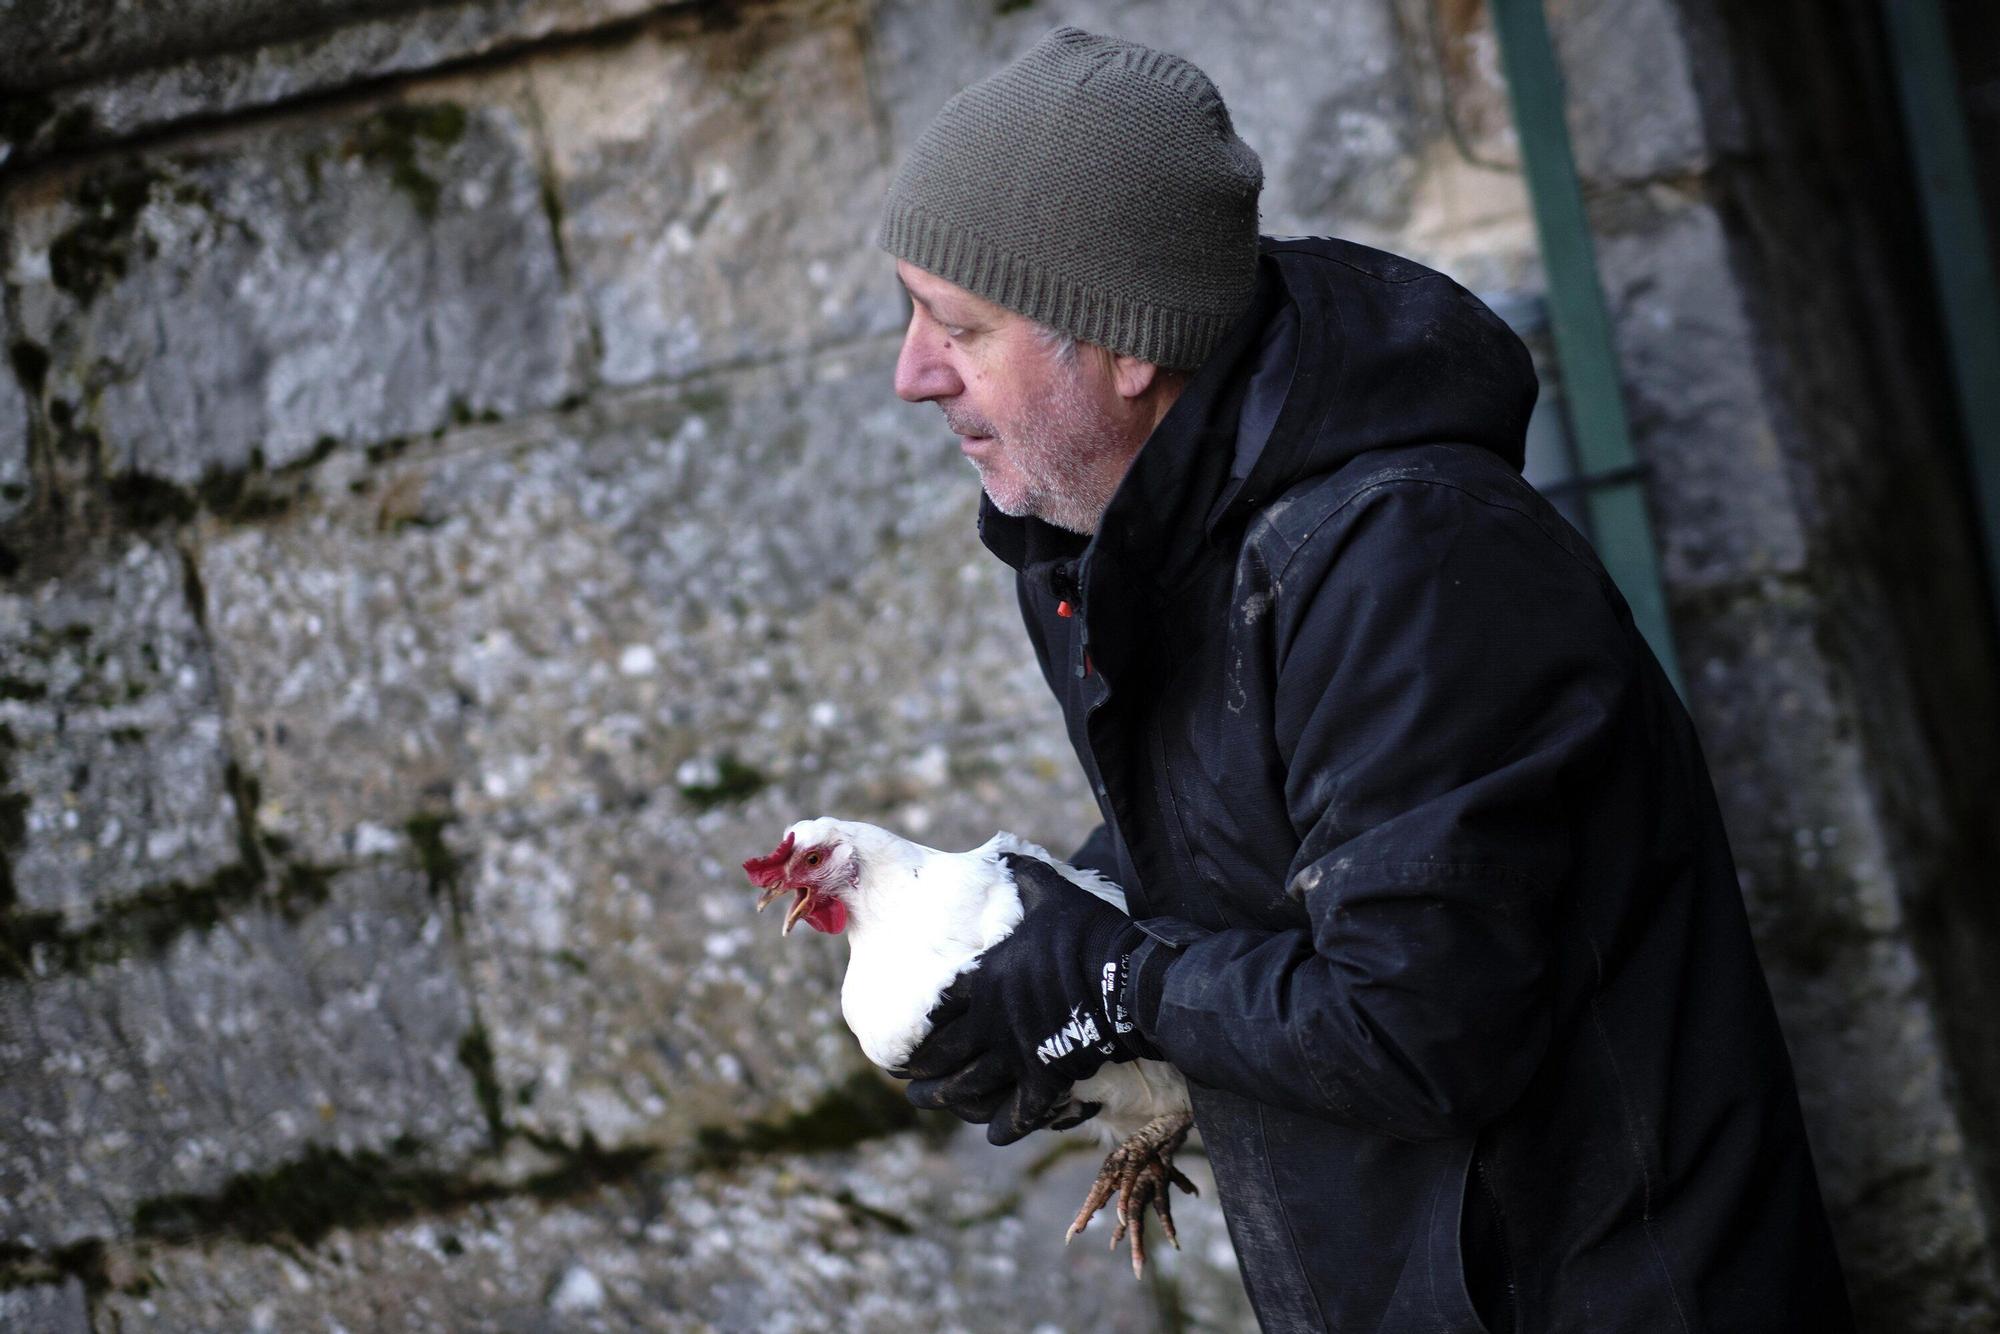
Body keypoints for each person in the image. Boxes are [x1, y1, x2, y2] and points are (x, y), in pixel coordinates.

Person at [880, 25, 1853, 1333]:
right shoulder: (1101, 546)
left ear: (1126, 340)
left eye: (959, 325)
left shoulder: (1403, 550)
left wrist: (1116, 982)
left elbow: (1421, 1021)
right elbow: (1276, 835)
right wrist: (1038, 934)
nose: (911, 373)